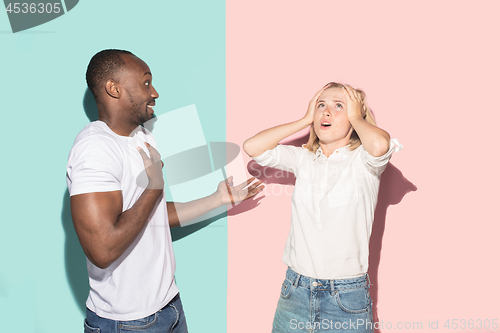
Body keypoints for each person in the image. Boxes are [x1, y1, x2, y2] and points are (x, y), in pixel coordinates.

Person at [66, 49, 263, 333]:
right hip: (127, 322)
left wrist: (218, 199)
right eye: (146, 82)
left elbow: (150, 215)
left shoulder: (143, 136)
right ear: (114, 88)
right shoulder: (94, 149)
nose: (154, 92)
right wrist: (153, 187)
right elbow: (102, 248)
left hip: (168, 306)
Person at [243, 82, 401, 332]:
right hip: (295, 291)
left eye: (339, 106)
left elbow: (381, 145)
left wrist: (353, 116)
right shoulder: (304, 158)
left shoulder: (364, 161)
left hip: (346, 297)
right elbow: (253, 147)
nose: (327, 112)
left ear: (356, 115)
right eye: (321, 105)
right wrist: (305, 119)